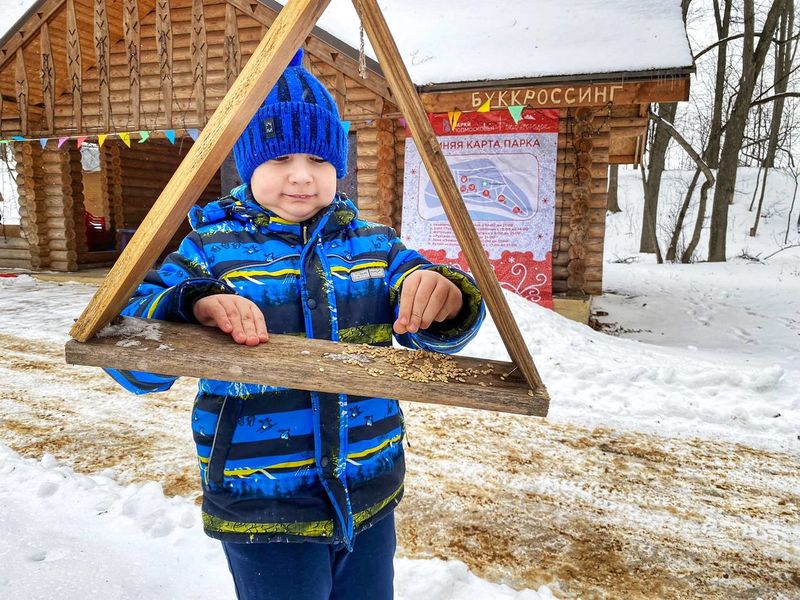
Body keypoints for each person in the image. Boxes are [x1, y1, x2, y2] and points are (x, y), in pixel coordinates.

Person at [105, 49, 485, 600]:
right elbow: (130, 351)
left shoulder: (374, 246)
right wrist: (191, 306)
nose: (302, 176)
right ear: (247, 162)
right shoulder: (211, 250)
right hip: (263, 498)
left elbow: (434, 319)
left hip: (369, 488)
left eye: (320, 159)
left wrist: (446, 298)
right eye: (280, 158)